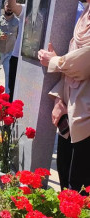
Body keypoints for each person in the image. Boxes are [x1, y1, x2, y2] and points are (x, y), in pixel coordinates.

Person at [38, 0, 90, 192]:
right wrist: (60, 99)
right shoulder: (85, 14)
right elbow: (72, 58)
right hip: (71, 107)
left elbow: (83, 65)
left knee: (80, 183)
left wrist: (55, 61)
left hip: (86, 115)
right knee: (64, 169)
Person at [0, 0, 18, 94]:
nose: (9, 8)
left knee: (8, 76)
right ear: (4, 6)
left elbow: (19, 36)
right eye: (7, 5)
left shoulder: (17, 22)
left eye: (11, 6)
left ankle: (7, 97)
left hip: (10, 53)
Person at [7, 0, 25, 102]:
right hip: (17, 57)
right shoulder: (27, 8)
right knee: (12, 90)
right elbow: (12, 6)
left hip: (39, 60)